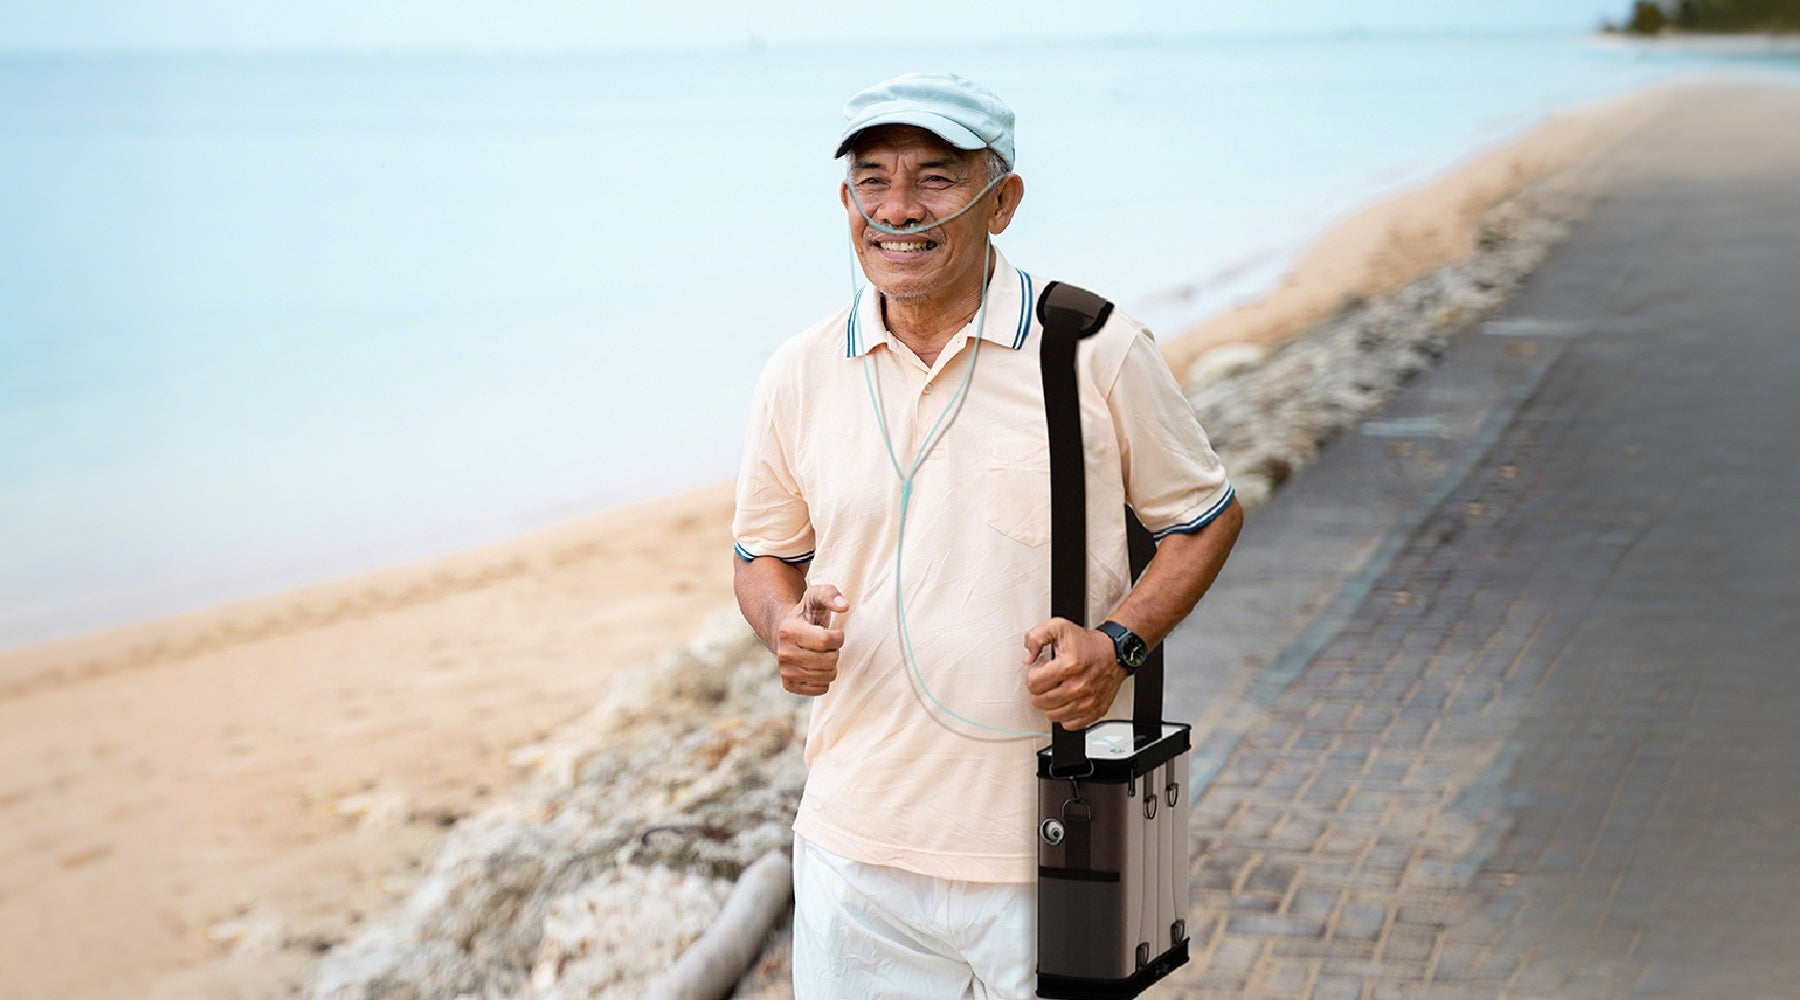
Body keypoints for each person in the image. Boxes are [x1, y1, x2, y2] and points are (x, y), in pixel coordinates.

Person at [732, 72, 1242, 999]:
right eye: (872, 180)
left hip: (1060, 836)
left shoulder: (1095, 347)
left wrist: (1118, 645)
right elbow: (763, 551)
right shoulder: (799, 372)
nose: (898, 210)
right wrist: (780, 629)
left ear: (1001, 201)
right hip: (856, 847)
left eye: (935, 179)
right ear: (844, 202)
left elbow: (1204, 519)